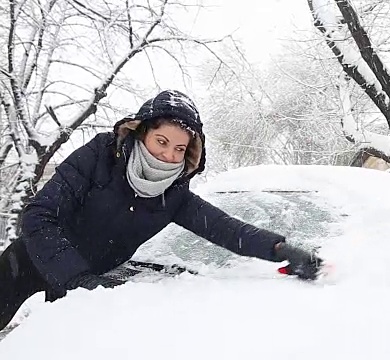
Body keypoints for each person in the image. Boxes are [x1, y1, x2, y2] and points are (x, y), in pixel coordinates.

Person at [0, 90, 323, 331]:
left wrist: (280, 249)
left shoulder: (174, 196)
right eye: (161, 141)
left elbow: (225, 228)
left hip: (87, 287)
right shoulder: (100, 155)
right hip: (28, 261)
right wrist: (77, 277)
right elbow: (38, 214)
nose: (169, 155)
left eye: (180, 148)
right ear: (141, 132)